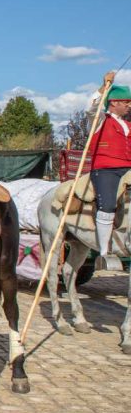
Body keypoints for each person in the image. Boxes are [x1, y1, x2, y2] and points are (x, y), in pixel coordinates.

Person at [86, 71, 131, 268]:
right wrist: (104, 87)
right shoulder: (100, 120)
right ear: (114, 102)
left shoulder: (128, 124)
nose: (129, 106)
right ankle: (104, 252)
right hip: (106, 169)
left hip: (128, 167)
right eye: (126, 102)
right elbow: (91, 107)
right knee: (108, 204)